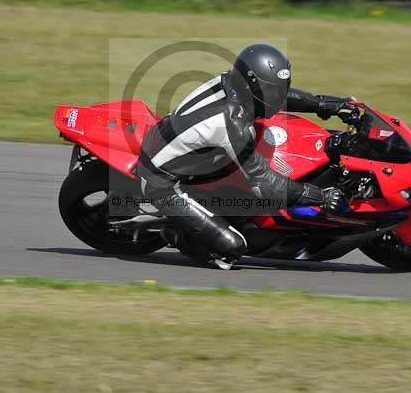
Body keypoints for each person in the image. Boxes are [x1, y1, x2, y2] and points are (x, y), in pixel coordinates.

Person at [137, 43, 357, 269]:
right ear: (251, 86)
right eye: (271, 91)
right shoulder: (232, 124)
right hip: (161, 182)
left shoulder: (235, 84)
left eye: (279, 88)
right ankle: (176, 232)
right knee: (232, 248)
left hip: (193, 157)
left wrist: (327, 104)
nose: (278, 97)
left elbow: (278, 96)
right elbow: (265, 184)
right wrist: (319, 196)